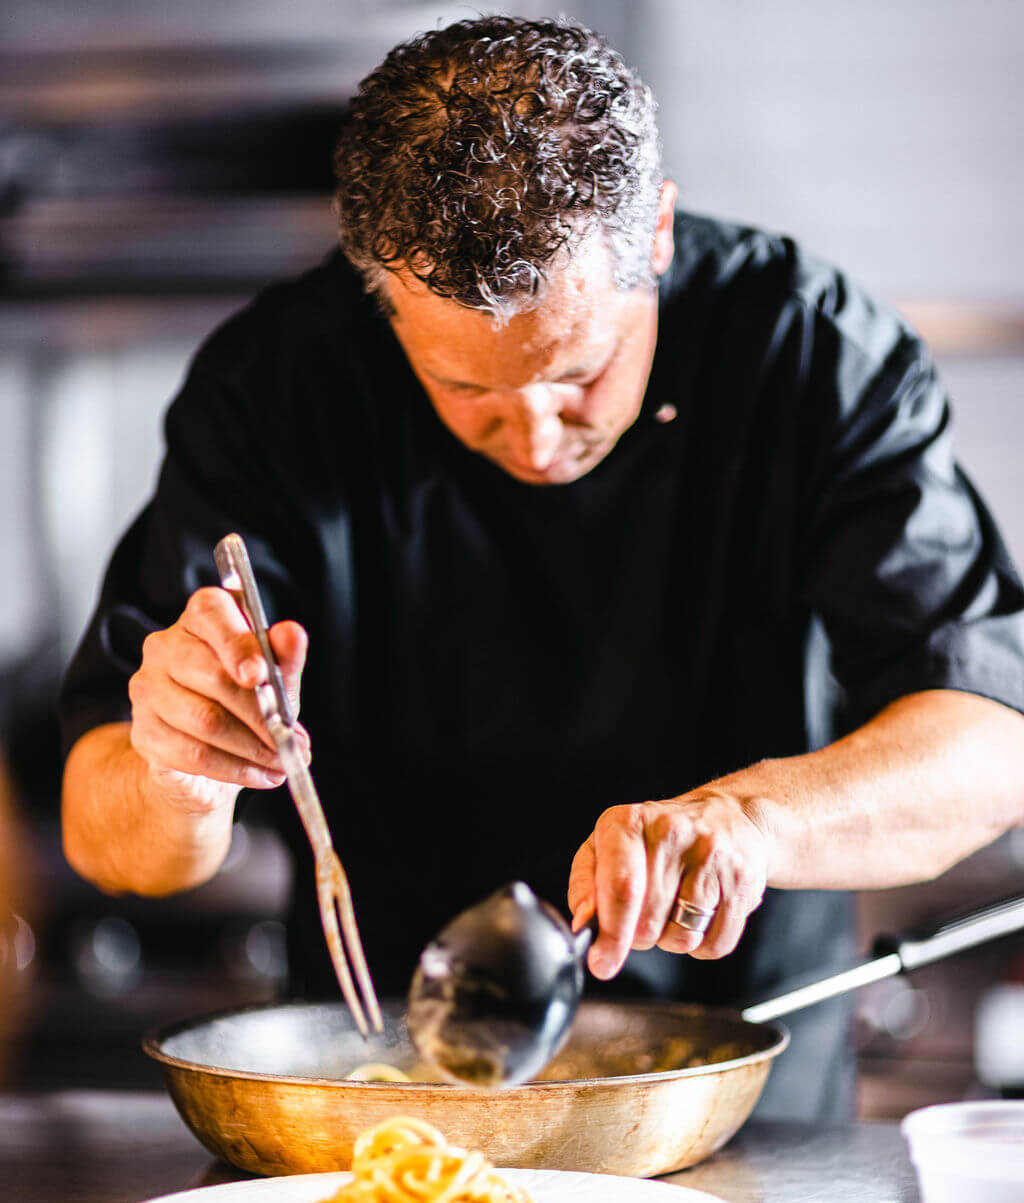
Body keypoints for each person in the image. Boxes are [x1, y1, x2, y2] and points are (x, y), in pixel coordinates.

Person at [60, 17, 1024, 1122]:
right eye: (466, 390)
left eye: (581, 373)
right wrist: (182, 773)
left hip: (734, 1103)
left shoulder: (807, 353)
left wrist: (754, 823)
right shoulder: (278, 386)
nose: (534, 436)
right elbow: (108, 829)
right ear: (383, 300)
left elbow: (994, 741)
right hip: (388, 1095)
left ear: (654, 233)